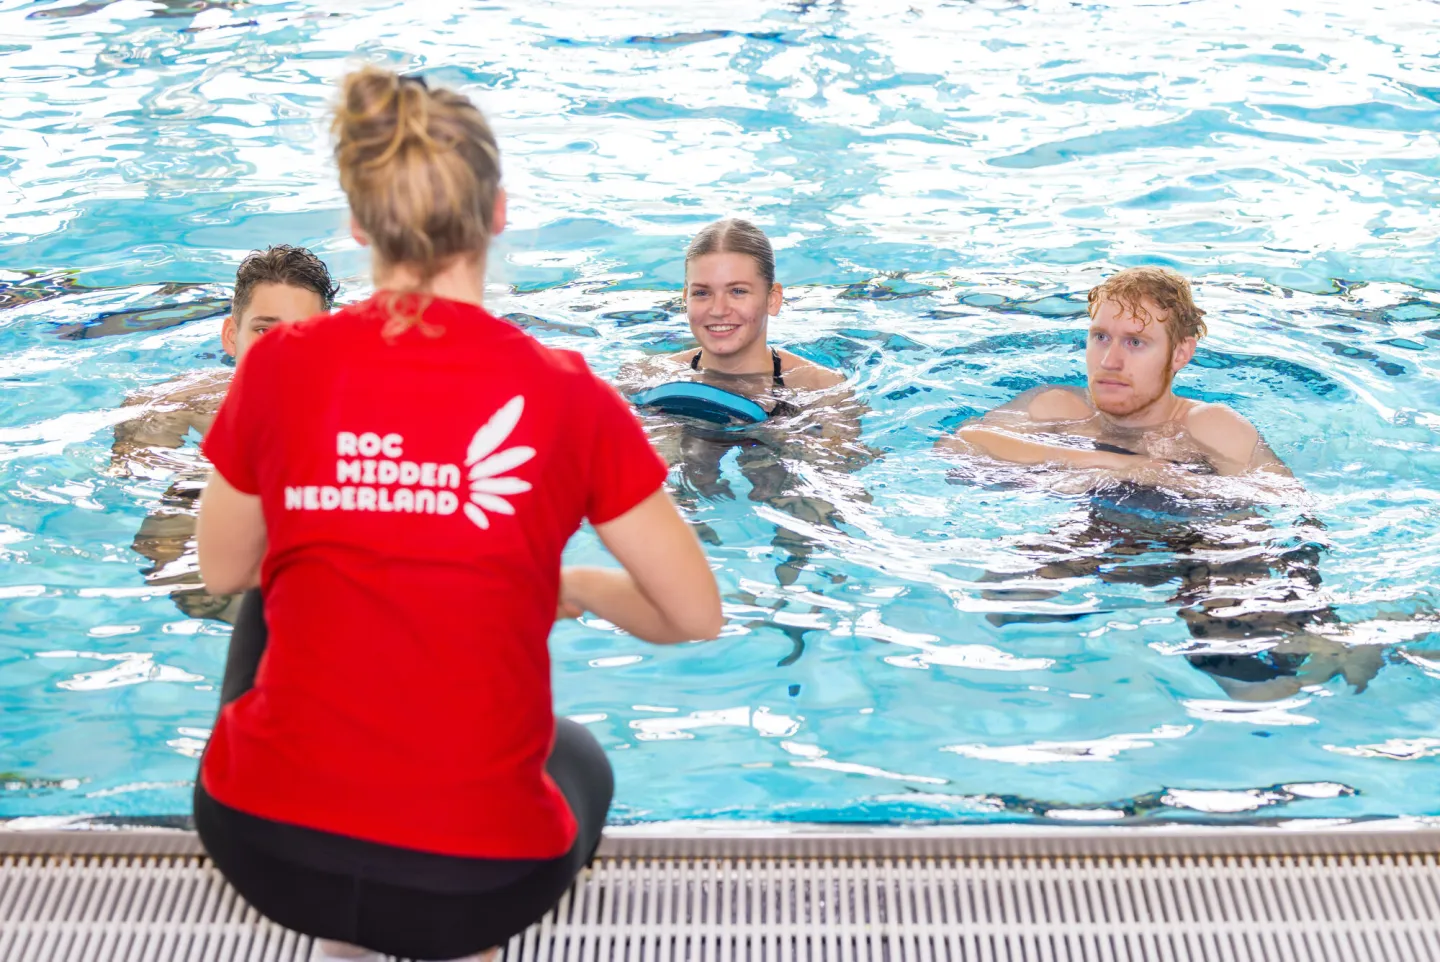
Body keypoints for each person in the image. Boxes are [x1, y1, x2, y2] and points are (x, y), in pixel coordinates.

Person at [193, 67, 722, 962]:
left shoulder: (277, 368)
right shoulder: (567, 395)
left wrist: (361, 516)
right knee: (577, 757)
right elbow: (693, 613)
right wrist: (577, 583)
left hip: (262, 844)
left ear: (361, 225)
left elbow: (222, 570)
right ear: (499, 212)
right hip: (476, 886)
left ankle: (345, 934)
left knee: (267, 585)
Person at [936, 267, 1381, 700]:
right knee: (1001, 597)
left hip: (1211, 549)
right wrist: (1119, 465)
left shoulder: (1208, 426)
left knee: (1250, 683)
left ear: (1180, 353)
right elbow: (956, 449)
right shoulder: (1061, 408)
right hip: (1110, 534)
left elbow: (1292, 512)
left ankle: (1361, 640)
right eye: (1100, 337)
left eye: (1136, 342)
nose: (1111, 360)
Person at [619, 219, 872, 593]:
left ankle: (791, 596)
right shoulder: (646, 379)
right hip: (679, 488)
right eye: (702, 293)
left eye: (738, 291)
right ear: (684, 298)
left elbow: (844, 477)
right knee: (661, 465)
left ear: (773, 298)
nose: (719, 310)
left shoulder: (822, 387)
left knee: (806, 499)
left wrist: (776, 442)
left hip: (783, 429)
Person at [112, 245, 337, 623]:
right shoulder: (176, 402)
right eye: (264, 329)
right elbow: (133, 486)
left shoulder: (363, 409)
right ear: (232, 336)